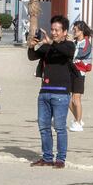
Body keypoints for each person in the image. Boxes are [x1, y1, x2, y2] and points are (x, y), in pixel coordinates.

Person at [27, 15, 75, 169]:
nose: (54, 32)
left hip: (61, 93)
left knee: (60, 128)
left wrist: (51, 42)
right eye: (52, 29)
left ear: (64, 31)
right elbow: (32, 56)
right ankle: (47, 157)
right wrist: (31, 45)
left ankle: (60, 159)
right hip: (44, 92)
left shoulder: (69, 45)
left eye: (57, 30)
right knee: (43, 126)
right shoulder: (48, 46)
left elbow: (66, 53)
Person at [69, 20, 93, 132]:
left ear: (81, 31)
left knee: (76, 99)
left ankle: (78, 122)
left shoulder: (86, 43)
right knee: (66, 98)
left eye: (76, 29)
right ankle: (78, 118)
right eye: (73, 29)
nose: (74, 31)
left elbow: (80, 54)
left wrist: (69, 47)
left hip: (80, 72)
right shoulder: (74, 42)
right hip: (71, 71)